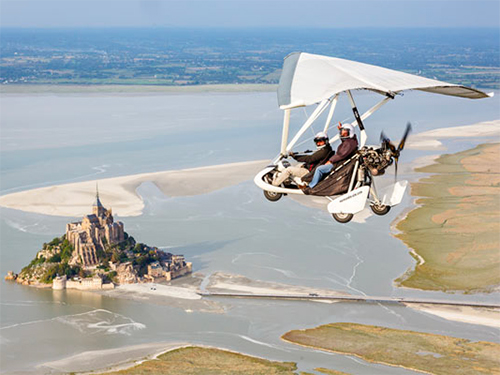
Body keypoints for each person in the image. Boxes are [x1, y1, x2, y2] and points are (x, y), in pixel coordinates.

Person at [302, 123, 358, 192]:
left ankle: (311, 186)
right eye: (341, 132)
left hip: (339, 164)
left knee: (319, 169)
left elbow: (341, 155)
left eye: (345, 133)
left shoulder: (349, 143)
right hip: (340, 162)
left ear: (350, 133)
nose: (342, 134)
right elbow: (344, 145)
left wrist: (331, 161)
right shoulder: (350, 141)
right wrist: (341, 129)